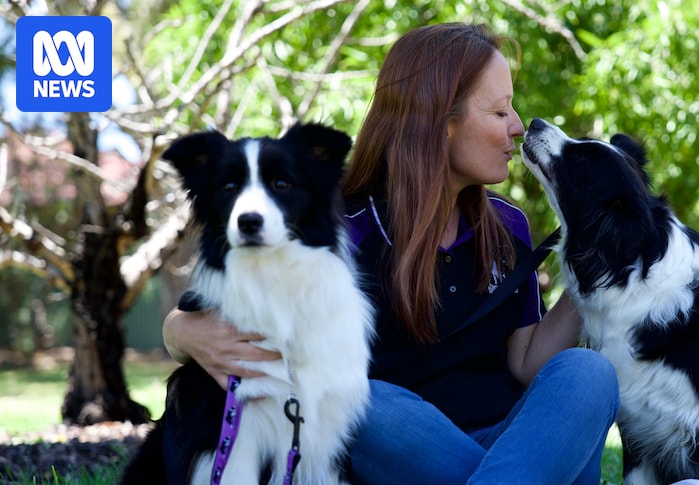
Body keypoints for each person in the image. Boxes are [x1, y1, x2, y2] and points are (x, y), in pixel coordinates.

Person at [163, 22, 620, 484]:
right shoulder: (336, 224)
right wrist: (180, 333)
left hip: (517, 445)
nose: (518, 126)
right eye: (500, 111)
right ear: (441, 122)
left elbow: (527, 364)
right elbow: (200, 313)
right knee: (364, 400)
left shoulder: (508, 225)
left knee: (587, 371)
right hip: (395, 451)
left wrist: (593, 258)